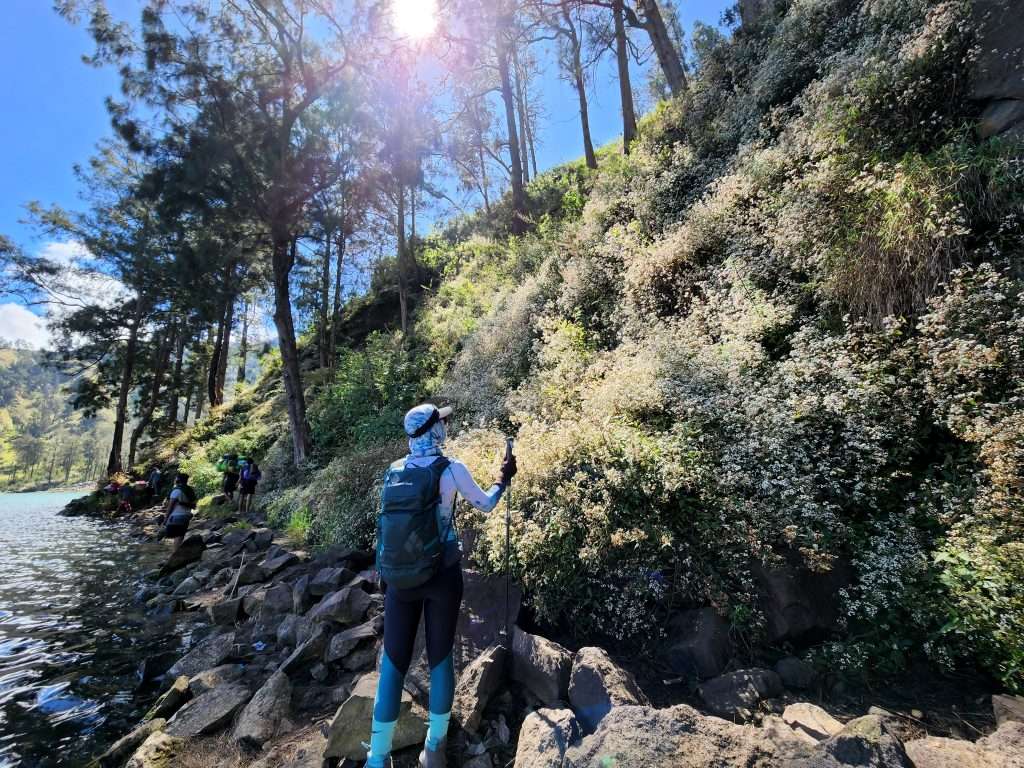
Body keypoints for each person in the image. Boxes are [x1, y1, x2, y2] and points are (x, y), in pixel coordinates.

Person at [366, 403, 517, 768]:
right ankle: (434, 748)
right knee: (440, 659)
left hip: (399, 580)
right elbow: (485, 505)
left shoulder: (393, 471)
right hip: (442, 577)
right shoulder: (451, 469)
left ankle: (376, 756)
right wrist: (504, 477)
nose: (446, 426)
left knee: (393, 663)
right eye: (443, 422)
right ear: (434, 430)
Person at [160, 472, 197, 543]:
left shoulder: (176, 490)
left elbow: (170, 506)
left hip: (176, 516)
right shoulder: (190, 490)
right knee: (180, 536)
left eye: (175, 478)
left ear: (178, 480)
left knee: (176, 537)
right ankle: (179, 552)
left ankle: (176, 552)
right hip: (186, 516)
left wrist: (165, 519)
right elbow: (194, 505)